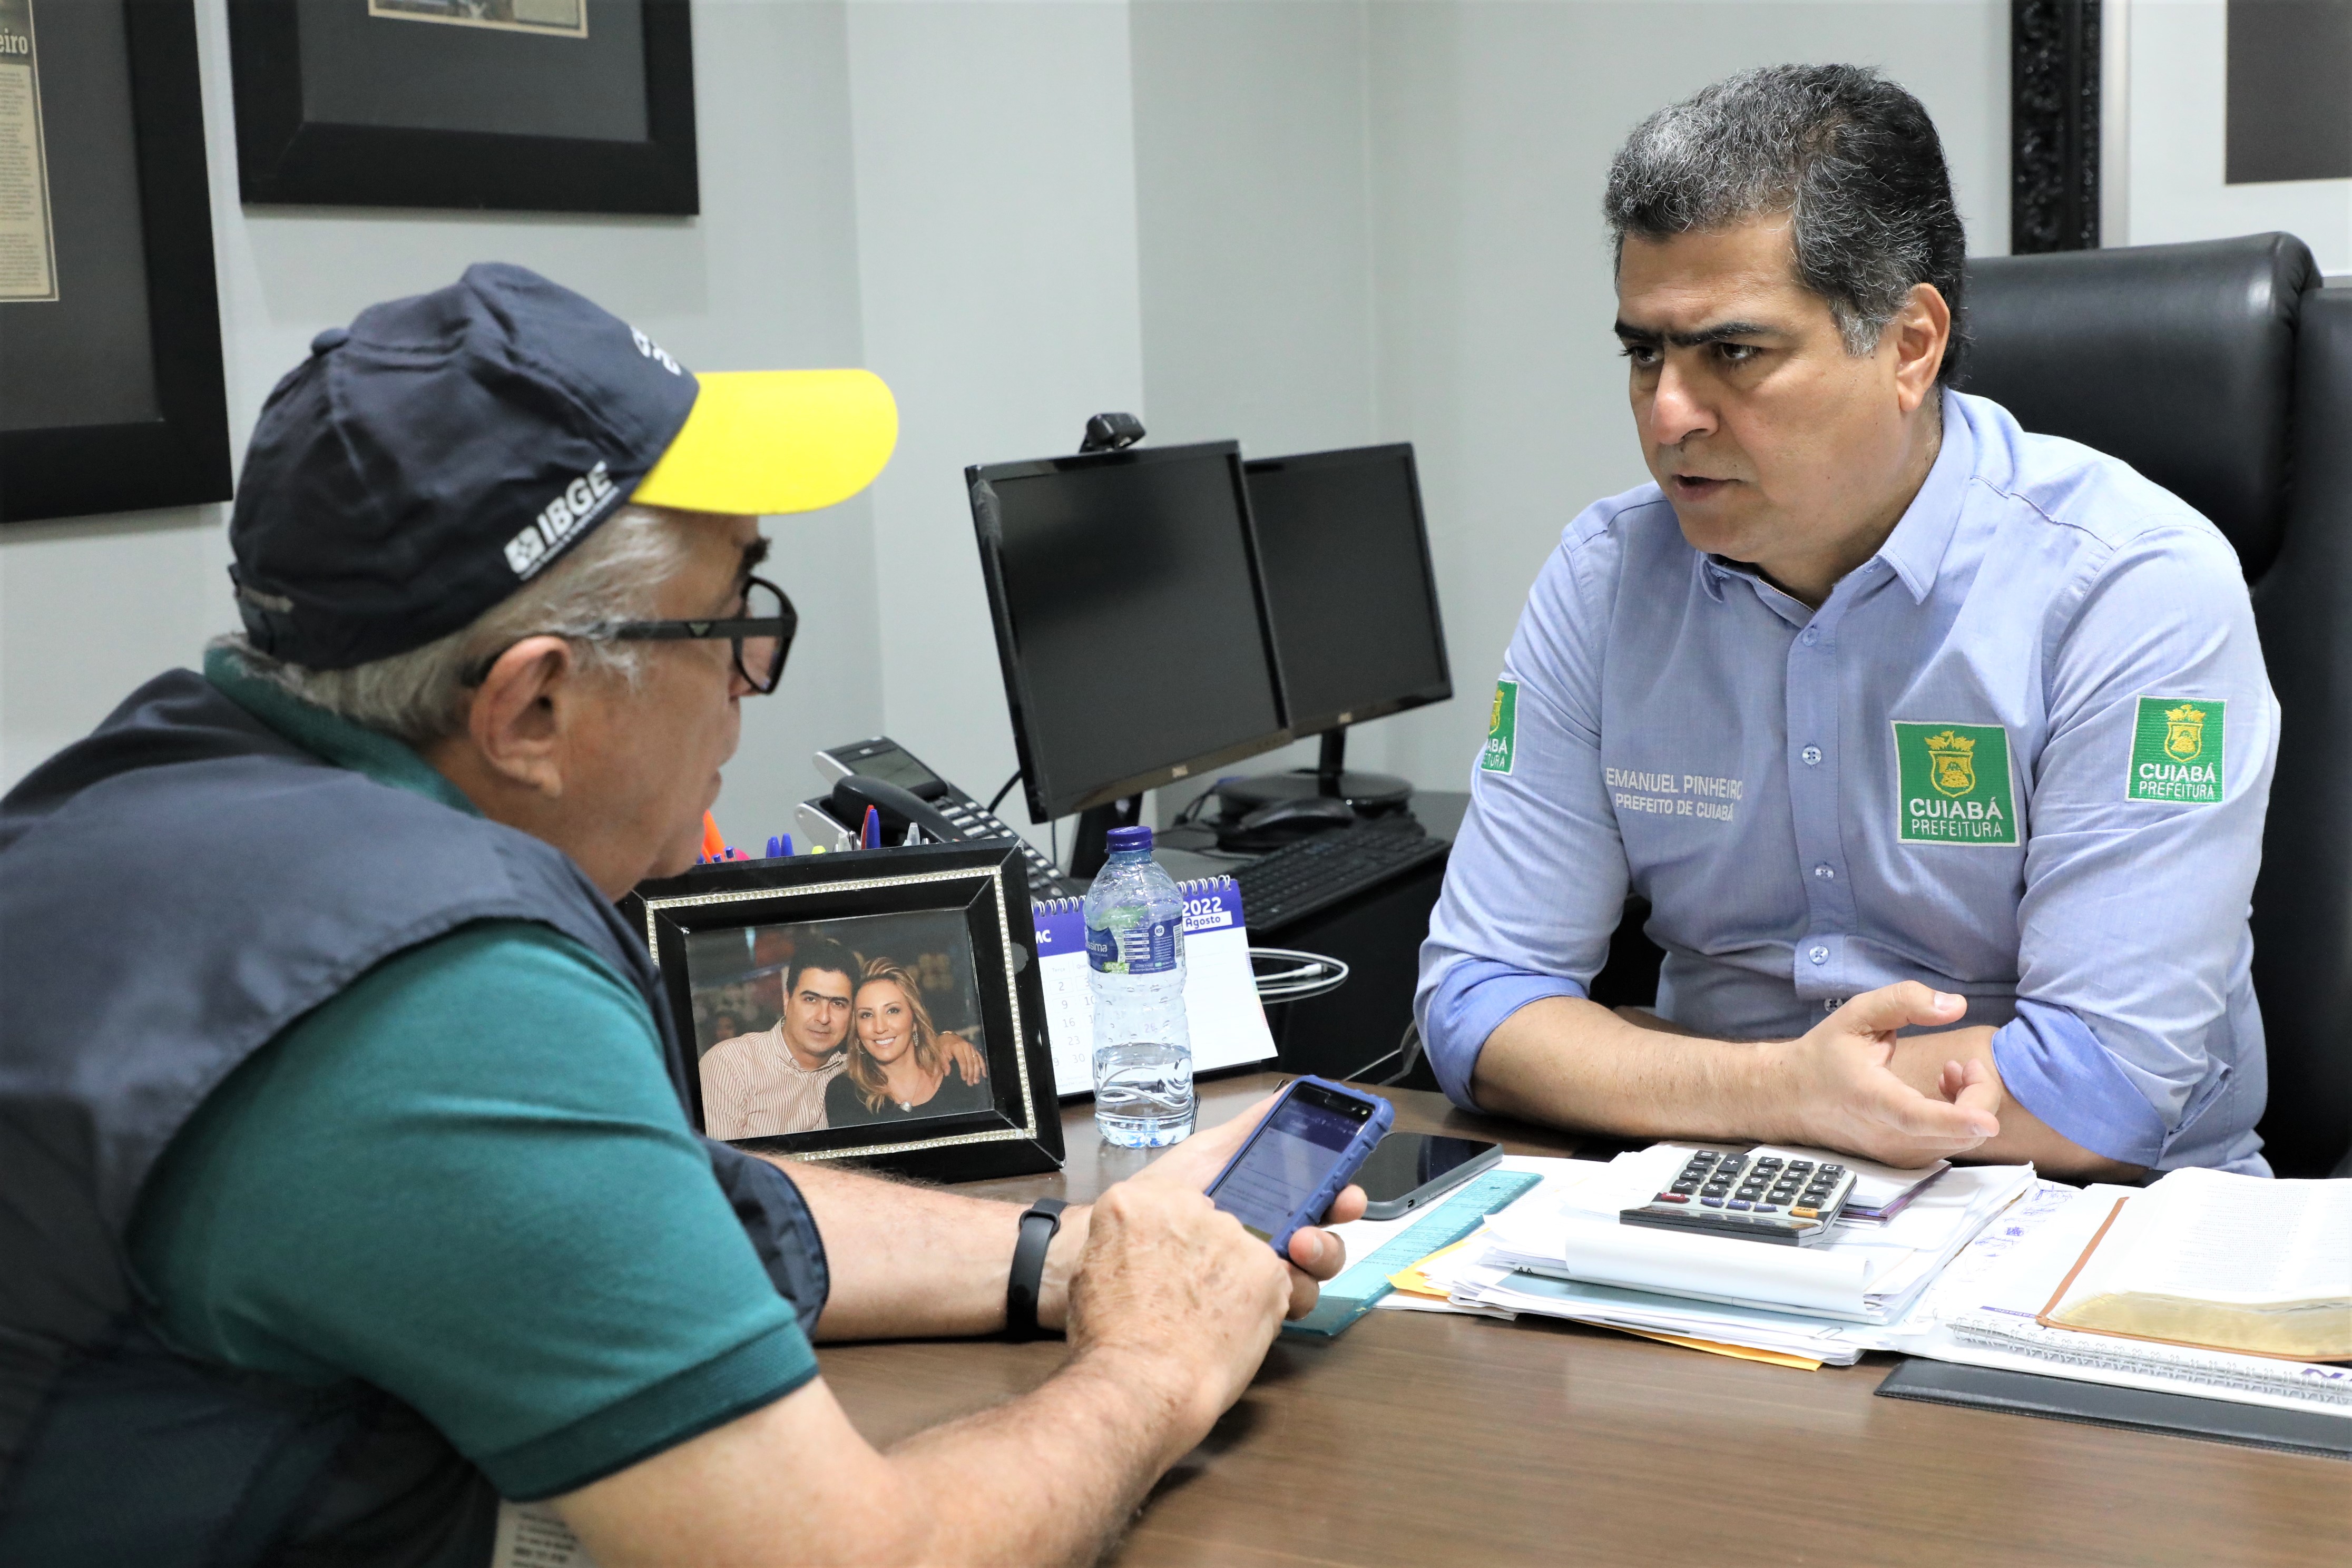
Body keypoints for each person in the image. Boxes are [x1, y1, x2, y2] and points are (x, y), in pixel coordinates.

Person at [0, 263, 1361, 1565]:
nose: (751, 679)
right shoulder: (431, 993)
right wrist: (1155, 1363)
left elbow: (664, 1214)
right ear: (533, 705)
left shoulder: (145, 797)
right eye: (732, 620)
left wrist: (1076, 1261)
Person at [1416, 65, 2277, 1180]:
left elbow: (2096, 1090)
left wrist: (1671, 1074)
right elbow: (1478, 1004)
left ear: (1909, 345)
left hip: (2090, 1217)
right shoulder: (1605, 578)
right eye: (1644, 352)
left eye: (1733, 352)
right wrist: (1780, 1091)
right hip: (1717, 1188)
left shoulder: (2130, 586)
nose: (1667, 415)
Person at [825, 957, 993, 1126]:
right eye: (867, 1015)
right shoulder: (844, 1094)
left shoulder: (962, 1071)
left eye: (893, 1011)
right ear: (857, 1030)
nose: (880, 1027)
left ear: (915, 1021)